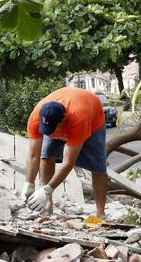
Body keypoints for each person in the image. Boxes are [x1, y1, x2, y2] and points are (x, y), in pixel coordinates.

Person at [21, 87, 107, 217]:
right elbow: (34, 155)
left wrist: (47, 189)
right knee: (46, 156)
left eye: (52, 129)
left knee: (98, 167)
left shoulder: (78, 118)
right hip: (67, 114)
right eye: (46, 128)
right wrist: (29, 183)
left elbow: (68, 163)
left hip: (92, 120)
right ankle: (48, 206)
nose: (49, 133)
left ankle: (100, 213)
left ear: (64, 120)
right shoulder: (36, 117)